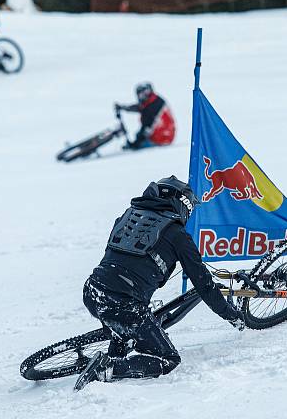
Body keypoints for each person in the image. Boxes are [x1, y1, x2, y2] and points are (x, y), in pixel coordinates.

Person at [77, 176, 245, 389]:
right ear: (182, 204)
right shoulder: (177, 234)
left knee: (128, 324)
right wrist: (232, 316)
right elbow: (204, 285)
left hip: (91, 290)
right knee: (168, 359)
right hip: (123, 303)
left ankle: (119, 342)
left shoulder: (127, 216)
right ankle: (107, 369)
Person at [115, 82, 176, 150]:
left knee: (139, 139)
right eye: (139, 95)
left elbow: (146, 129)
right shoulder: (154, 100)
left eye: (143, 94)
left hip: (162, 138)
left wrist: (135, 144)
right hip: (165, 135)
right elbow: (140, 108)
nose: (141, 97)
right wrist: (124, 108)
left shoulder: (153, 108)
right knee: (138, 135)